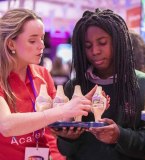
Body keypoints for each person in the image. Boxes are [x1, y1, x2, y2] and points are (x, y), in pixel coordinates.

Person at [56, 8, 145, 160]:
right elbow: (64, 150)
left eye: (102, 43)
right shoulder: (74, 87)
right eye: (88, 46)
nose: (95, 51)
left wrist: (120, 136)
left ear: (118, 42)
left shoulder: (144, 85)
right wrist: (68, 138)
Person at [0, 8, 94, 160]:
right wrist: (65, 110)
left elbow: (56, 120)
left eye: (42, 38)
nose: (41, 45)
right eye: (33, 40)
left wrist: (80, 107)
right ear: (11, 44)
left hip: (49, 155)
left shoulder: (42, 74)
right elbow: (6, 126)